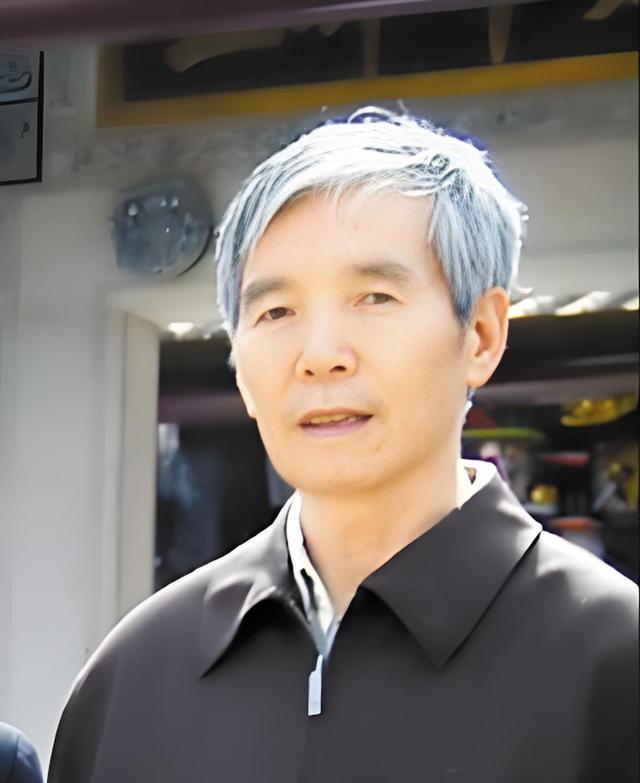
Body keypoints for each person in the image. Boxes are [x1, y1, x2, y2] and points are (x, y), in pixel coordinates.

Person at [48, 108, 638, 782]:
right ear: (239, 365)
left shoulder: (611, 661)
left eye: (375, 297)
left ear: (480, 334)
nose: (320, 355)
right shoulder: (134, 677)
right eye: (276, 311)